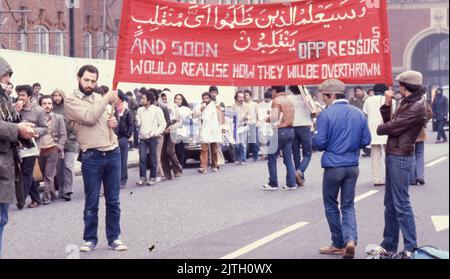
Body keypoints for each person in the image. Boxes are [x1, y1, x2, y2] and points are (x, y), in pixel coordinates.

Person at [65, 65, 128, 252]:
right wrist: (107, 99)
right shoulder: (70, 100)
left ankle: (114, 237)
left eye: (93, 81)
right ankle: (90, 239)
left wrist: (112, 124)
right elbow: (90, 117)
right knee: (91, 201)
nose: (89, 84)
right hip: (91, 155)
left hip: (113, 152)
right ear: (78, 78)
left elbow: (103, 124)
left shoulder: (98, 98)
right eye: (86, 79)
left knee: (113, 201)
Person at [313, 79, 371, 259]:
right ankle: (351, 240)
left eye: (324, 96)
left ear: (331, 95)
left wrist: (314, 135)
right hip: (352, 165)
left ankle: (338, 243)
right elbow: (366, 140)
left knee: (331, 204)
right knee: (348, 205)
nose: (323, 100)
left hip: (333, 165)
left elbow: (320, 143)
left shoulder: (325, 115)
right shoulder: (358, 113)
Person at [374, 71, 429, 259]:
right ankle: (388, 245)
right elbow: (392, 123)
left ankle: (411, 247)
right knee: (390, 203)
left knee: (401, 204)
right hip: (394, 154)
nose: (397, 89)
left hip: (401, 157)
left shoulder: (416, 106)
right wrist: (387, 105)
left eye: (399, 86)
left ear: (404, 87)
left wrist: (381, 128)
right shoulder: (408, 102)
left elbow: (389, 127)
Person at [0, 56, 37, 257]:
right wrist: (17, 129)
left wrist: (25, 128)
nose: (8, 79)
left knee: (2, 218)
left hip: (6, 164)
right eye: (5, 74)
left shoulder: (4, 98)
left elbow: (11, 122)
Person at [15, 84, 48, 209]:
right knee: (26, 174)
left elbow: (45, 128)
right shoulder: (15, 108)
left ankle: (21, 200)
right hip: (18, 146)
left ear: (29, 96)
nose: (20, 97)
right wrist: (16, 112)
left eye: (23, 95)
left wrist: (32, 131)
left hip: (31, 146)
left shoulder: (38, 110)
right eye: (19, 94)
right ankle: (36, 199)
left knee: (26, 172)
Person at [262, 86, 297, 190]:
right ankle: (291, 183)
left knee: (272, 157)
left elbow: (274, 118)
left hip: (279, 131)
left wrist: (266, 119)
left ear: (274, 91)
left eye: (272, 91)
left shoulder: (276, 101)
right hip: (290, 131)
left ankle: (273, 183)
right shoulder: (289, 100)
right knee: (288, 158)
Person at [38, 96, 67, 205]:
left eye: (49, 103)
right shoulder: (37, 118)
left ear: (52, 105)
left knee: (48, 174)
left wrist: (59, 145)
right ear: (40, 105)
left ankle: (46, 198)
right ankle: (52, 193)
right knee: (44, 174)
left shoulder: (58, 117)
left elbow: (63, 134)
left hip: (52, 149)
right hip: (40, 150)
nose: (47, 106)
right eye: (44, 103)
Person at [52, 89, 79, 201]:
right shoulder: (51, 109)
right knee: (59, 168)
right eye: (55, 95)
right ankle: (61, 190)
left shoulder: (68, 109)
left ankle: (68, 190)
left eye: (59, 95)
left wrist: (72, 137)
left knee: (68, 166)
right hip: (57, 143)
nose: (57, 97)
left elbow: (76, 124)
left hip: (70, 142)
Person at [135, 90, 166, 186]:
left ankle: (153, 178)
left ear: (149, 100)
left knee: (153, 158)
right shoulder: (140, 110)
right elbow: (138, 122)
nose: (141, 100)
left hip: (153, 137)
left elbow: (163, 123)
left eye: (143, 98)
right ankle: (142, 178)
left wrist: (157, 132)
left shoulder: (157, 110)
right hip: (142, 138)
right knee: (142, 158)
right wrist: (137, 123)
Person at [362, 84, 389, 186]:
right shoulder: (389, 100)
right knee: (390, 155)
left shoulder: (368, 100)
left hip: (373, 132)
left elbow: (365, 114)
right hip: (387, 131)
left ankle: (377, 179)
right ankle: (390, 177)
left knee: (375, 157)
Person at [288, 85, 313, 187]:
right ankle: (300, 171)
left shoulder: (289, 98)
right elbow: (314, 111)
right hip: (305, 126)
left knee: (296, 153)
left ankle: (300, 177)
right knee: (307, 153)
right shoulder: (307, 97)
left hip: (293, 126)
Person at [194, 92, 222, 173]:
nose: (205, 100)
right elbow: (194, 115)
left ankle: (215, 165)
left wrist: (222, 128)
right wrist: (201, 109)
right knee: (204, 149)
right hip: (204, 130)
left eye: (207, 98)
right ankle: (203, 167)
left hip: (213, 130)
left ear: (210, 98)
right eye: (203, 98)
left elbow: (220, 117)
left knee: (214, 149)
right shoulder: (199, 106)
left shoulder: (215, 106)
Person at [410, 98, 433, 186]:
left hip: (408, 132)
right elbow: (430, 113)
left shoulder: (405, 100)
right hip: (420, 131)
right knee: (420, 154)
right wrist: (423, 121)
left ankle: (412, 179)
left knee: (411, 154)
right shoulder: (422, 100)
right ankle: (420, 176)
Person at [115, 90, 134, 188]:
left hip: (122, 138)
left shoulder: (126, 111)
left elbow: (131, 125)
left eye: (116, 97)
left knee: (123, 160)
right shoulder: (112, 110)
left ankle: (123, 180)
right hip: (113, 139)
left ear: (120, 98)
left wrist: (127, 136)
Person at [231, 91, 251, 165]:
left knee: (243, 144)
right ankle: (237, 158)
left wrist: (247, 117)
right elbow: (229, 117)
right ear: (236, 98)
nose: (241, 99)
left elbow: (250, 115)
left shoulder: (247, 106)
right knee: (236, 144)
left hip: (243, 127)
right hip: (235, 128)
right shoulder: (232, 106)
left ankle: (243, 159)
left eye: (242, 97)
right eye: (239, 97)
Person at [350, 86, 370, 157]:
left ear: (362, 91)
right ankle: (357, 150)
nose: (358, 93)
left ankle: (367, 150)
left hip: (366, 119)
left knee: (365, 135)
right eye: (357, 92)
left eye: (359, 91)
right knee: (356, 136)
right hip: (355, 120)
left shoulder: (368, 99)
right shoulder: (352, 100)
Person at [173, 94, 192, 166]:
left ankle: (180, 165)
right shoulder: (172, 108)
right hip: (172, 132)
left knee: (179, 150)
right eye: (176, 99)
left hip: (181, 132)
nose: (177, 100)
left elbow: (186, 120)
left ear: (182, 101)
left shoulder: (186, 109)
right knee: (172, 150)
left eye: (179, 99)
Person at [244, 89, 259, 161]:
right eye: (244, 95)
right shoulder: (242, 105)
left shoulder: (254, 104)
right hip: (245, 124)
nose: (245, 97)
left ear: (250, 96)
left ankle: (255, 156)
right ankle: (245, 157)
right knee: (245, 141)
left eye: (247, 95)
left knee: (254, 141)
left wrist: (258, 122)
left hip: (253, 123)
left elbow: (257, 114)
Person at [257, 90, 273, 159]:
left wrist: (271, 113)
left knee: (271, 139)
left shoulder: (273, 103)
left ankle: (271, 154)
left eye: (268, 98)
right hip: (263, 124)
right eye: (266, 98)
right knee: (262, 140)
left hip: (271, 124)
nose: (267, 99)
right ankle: (263, 154)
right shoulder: (260, 105)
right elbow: (259, 114)